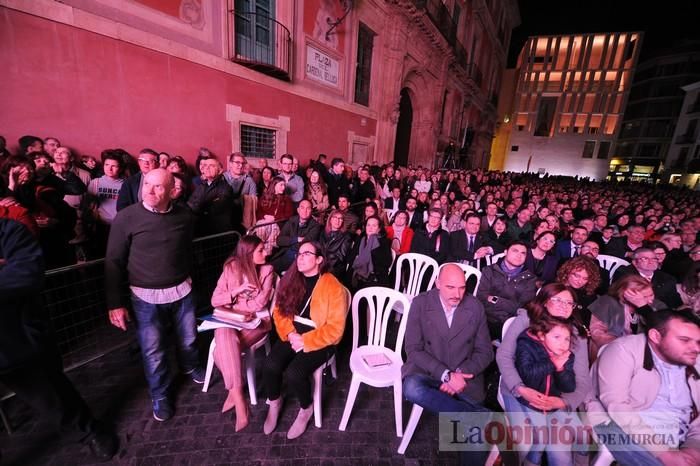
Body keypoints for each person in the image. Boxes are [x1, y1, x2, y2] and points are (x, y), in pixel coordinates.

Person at [0, 218, 119, 460]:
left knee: (53, 397)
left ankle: (88, 432)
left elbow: (27, 273)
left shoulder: (9, 231)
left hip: (16, 343)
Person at [105, 168, 204, 422]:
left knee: (190, 338)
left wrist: (192, 277)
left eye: (158, 186)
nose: (149, 190)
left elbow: (187, 248)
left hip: (182, 290)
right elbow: (113, 261)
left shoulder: (184, 215)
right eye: (146, 183)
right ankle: (160, 394)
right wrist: (115, 302)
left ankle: (190, 366)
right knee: (153, 350)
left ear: (172, 191)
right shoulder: (126, 218)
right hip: (145, 297)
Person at [402, 264, 494, 465]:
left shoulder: (475, 306)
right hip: (428, 369)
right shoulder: (421, 303)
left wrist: (459, 374)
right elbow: (413, 348)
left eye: (462, 287)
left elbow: (485, 351)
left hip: (463, 374)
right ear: (437, 284)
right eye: (450, 287)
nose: (457, 294)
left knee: (476, 436)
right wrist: (445, 374)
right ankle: (472, 417)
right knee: (411, 387)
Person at [587, 309, 700, 466]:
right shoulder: (624, 350)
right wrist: (664, 453)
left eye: (698, 342)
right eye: (684, 340)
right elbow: (617, 407)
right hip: (623, 425)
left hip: (679, 433)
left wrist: (694, 449)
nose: (695, 348)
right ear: (656, 336)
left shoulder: (694, 360)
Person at [496, 283, 592, 465]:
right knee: (532, 440)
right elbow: (504, 356)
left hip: (557, 394)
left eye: (569, 303)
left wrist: (564, 402)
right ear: (545, 302)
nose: (564, 306)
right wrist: (520, 388)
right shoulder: (526, 320)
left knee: (562, 454)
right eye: (558, 300)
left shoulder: (576, 335)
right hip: (518, 389)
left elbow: (582, 379)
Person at [262, 241, 349, 439]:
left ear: (319, 259)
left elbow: (336, 330)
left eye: (306, 253)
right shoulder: (291, 279)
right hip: (293, 331)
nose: (299, 257)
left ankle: (306, 408)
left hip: (321, 337)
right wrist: (291, 334)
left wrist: (306, 341)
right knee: (270, 365)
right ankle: (275, 402)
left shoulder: (333, 286)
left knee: (295, 373)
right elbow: (279, 312)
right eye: (299, 253)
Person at [210, 235, 276, 432]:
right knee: (223, 332)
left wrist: (234, 304)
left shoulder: (267, 270)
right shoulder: (231, 268)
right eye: (261, 251)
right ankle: (240, 401)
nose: (266, 253)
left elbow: (259, 304)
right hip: (231, 321)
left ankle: (234, 394)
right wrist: (236, 291)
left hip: (257, 322)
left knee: (219, 351)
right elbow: (215, 300)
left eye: (264, 249)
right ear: (247, 254)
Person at [513, 313, 577, 465]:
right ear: (542, 336)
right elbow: (527, 376)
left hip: (552, 404)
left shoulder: (566, 355)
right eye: (557, 337)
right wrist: (552, 363)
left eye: (567, 339)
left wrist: (561, 370)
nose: (563, 343)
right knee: (540, 439)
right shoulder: (527, 346)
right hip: (529, 401)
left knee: (581, 434)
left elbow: (569, 386)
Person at [588, 274, 663, 359]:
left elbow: (661, 329)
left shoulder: (656, 306)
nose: (650, 300)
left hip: (642, 352)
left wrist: (643, 307)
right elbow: (597, 332)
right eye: (645, 296)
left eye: (651, 295)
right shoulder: (606, 303)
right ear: (627, 294)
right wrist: (624, 346)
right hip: (611, 351)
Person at [477, 241, 538, 339]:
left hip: (510, 322)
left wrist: (496, 300)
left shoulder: (530, 279)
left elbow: (523, 308)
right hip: (485, 317)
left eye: (523, 253)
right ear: (505, 252)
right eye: (515, 251)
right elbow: (481, 296)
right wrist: (510, 304)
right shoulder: (490, 270)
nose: (519, 255)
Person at [612, 248, 682, 309]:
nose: (651, 262)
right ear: (634, 262)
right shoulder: (624, 274)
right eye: (645, 259)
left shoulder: (668, 279)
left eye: (654, 259)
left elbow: (674, 302)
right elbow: (617, 297)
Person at [269, 199, 322, 274]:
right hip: (284, 253)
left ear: (311, 211)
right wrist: (296, 239)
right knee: (268, 269)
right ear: (298, 210)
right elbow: (279, 240)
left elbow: (305, 244)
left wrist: (289, 241)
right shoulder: (292, 220)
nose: (305, 211)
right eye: (302, 208)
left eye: (308, 208)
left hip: (299, 257)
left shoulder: (315, 226)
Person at [187, 157, 234, 236]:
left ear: (220, 171)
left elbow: (213, 209)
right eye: (205, 165)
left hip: (217, 232)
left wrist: (198, 205)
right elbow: (190, 202)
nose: (207, 168)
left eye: (212, 165)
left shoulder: (225, 188)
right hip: (200, 227)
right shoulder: (202, 185)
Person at [347, 215, 393, 289]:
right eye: (368, 225)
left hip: (376, 277)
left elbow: (387, 262)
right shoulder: (361, 239)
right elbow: (351, 257)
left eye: (374, 225)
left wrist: (373, 243)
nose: (370, 228)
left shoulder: (384, 241)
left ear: (379, 229)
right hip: (358, 274)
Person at [556, 256, 602, 328]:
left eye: (585, 278)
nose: (580, 281)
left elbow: (590, 322)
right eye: (577, 276)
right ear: (568, 271)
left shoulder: (590, 296)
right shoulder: (555, 288)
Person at [255, 176, 294, 255]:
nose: (283, 187)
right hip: (264, 224)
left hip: (278, 225)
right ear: (274, 185)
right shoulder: (264, 197)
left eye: (284, 185)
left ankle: (262, 253)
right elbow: (258, 213)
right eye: (281, 185)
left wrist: (274, 218)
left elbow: (289, 215)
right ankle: (259, 250)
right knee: (263, 225)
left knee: (267, 227)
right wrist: (265, 217)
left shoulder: (287, 199)